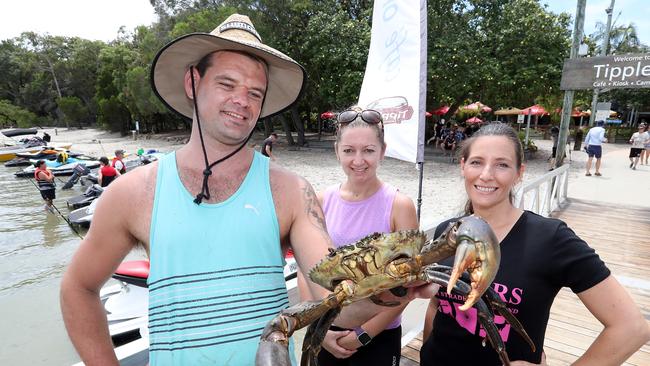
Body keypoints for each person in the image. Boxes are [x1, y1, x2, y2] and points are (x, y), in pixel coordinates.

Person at [60, 14, 387, 365]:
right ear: (192, 82)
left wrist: (396, 287)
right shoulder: (133, 193)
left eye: (254, 92)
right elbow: (78, 288)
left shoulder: (291, 191)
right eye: (227, 84)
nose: (241, 101)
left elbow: (335, 301)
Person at [419, 123, 650, 366]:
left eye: (502, 165)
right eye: (476, 162)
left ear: (519, 173)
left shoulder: (550, 238)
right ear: (463, 166)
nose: (486, 174)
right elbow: (437, 305)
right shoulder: (449, 230)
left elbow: (631, 328)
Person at [296, 107, 419, 365]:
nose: (358, 160)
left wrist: (362, 335)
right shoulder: (320, 201)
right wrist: (318, 328)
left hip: (380, 334)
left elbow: (410, 285)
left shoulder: (400, 206)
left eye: (369, 150)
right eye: (349, 150)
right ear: (336, 150)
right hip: (326, 330)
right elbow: (306, 270)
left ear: (383, 151)